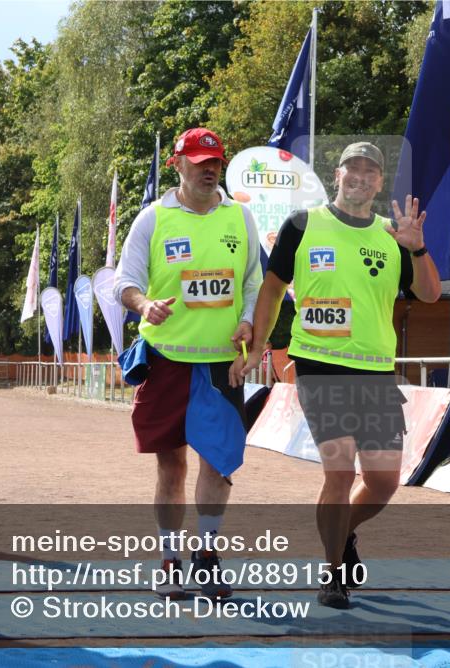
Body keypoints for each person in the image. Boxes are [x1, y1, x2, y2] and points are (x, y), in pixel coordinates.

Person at [234, 142, 442, 609]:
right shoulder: (302, 225)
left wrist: (419, 248)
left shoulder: (393, 234)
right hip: (319, 366)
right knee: (341, 469)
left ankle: (342, 531)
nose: (361, 177)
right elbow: (272, 289)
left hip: (376, 371)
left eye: (371, 171)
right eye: (353, 168)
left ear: (379, 182)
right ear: (337, 174)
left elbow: (430, 294)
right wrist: (259, 345)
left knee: (384, 482)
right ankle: (332, 575)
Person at [113, 127, 262, 600]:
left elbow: (254, 282)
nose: (209, 170)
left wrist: (247, 320)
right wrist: (144, 304)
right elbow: (123, 282)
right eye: (199, 163)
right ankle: (169, 559)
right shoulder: (153, 219)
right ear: (178, 165)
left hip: (221, 365)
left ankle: (207, 557)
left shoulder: (240, 216)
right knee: (171, 467)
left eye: (215, 162)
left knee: (218, 465)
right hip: (167, 361)